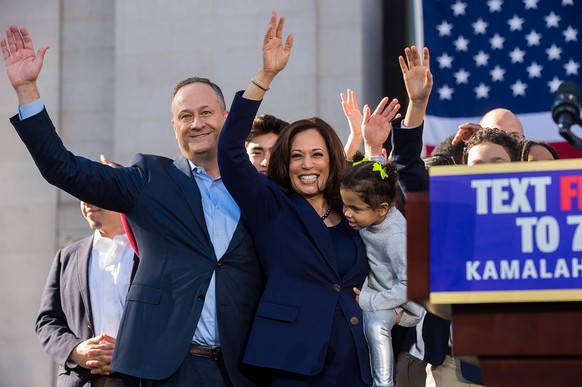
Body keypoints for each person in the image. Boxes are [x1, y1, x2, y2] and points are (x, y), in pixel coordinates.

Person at [2, 24, 264, 386]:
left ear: (226, 119)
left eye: (206, 112)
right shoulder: (148, 180)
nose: (197, 123)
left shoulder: (258, 189)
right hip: (170, 370)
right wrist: (27, 90)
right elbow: (63, 168)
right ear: (174, 126)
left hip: (243, 370)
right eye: (185, 116)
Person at [218, 12, 373, 386]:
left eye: (317, 155)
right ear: (284, 164)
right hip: (291, 361)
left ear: (331, 160)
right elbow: (229, 152)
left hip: (353, 355)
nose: (307, 165)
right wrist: (264, 78)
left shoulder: (348, 209)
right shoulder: (270, 204)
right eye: (296, 156)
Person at [340, 155, 423, 387]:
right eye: (344, 204)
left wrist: (370, 300)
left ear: (382, 209)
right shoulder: (370, 212)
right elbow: (377, 172)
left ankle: (383, 383)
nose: (347, 213)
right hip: (376, 290)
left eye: (354, 208)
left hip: (395, 301)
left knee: (376, 327)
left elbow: (409, 286)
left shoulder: (396, 237)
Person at [36, 202, 139, 387]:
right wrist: (75, 350)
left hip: (140, 379)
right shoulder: (66, 257)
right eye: (81, 196)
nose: (86, 201)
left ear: (120, 193)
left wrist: (130, 352)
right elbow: (47, 321)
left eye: (94, 191)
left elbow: (176, 318)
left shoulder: (153, 254)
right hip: (81, 380)